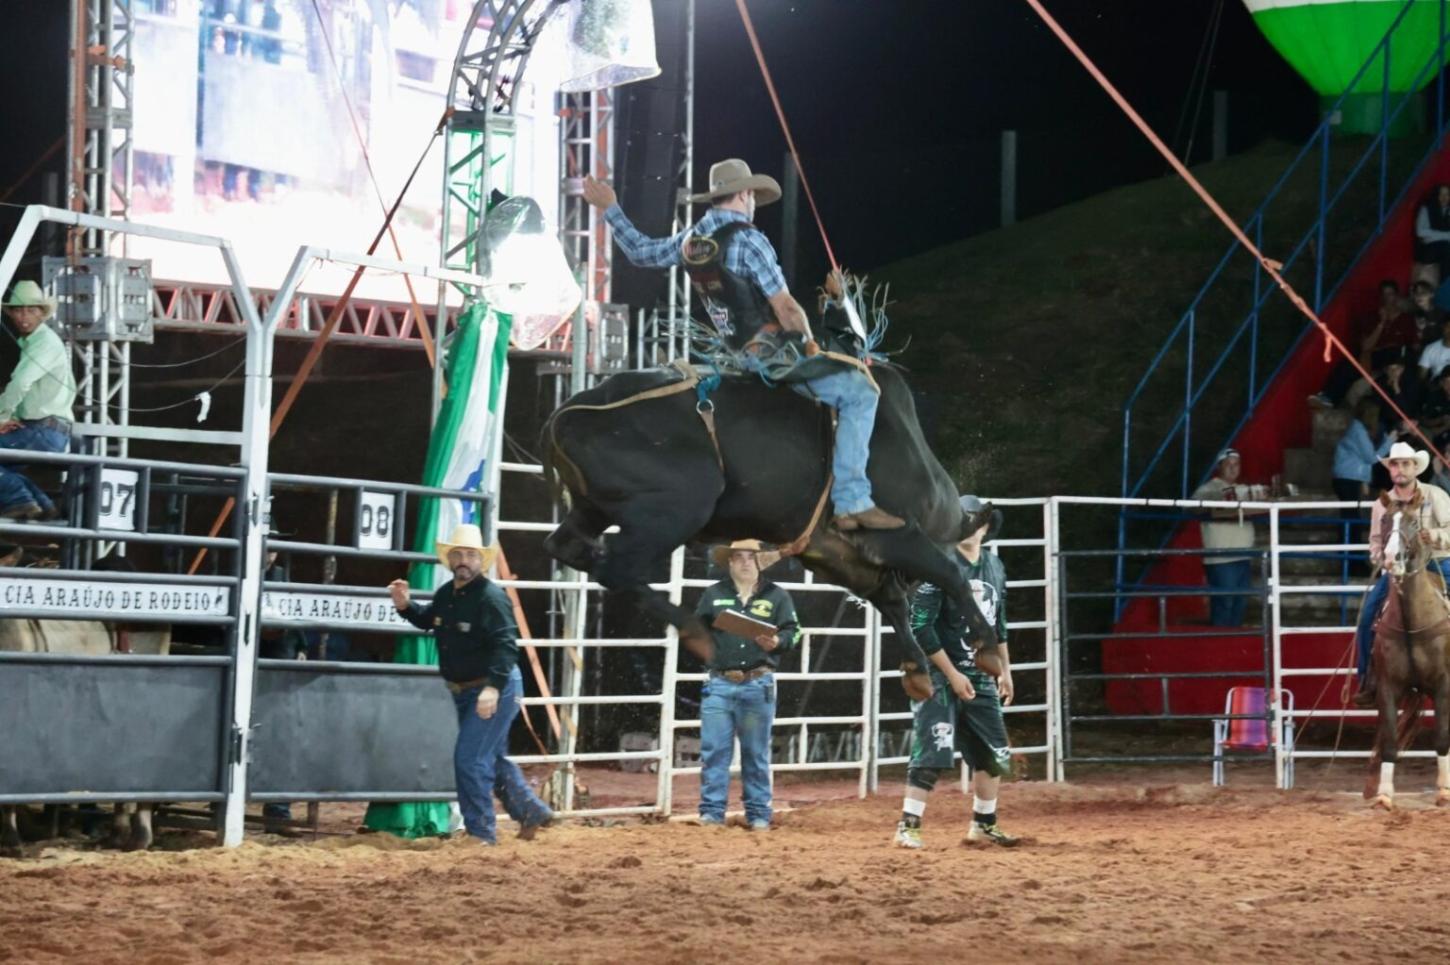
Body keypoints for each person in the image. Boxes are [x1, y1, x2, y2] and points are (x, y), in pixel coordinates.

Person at [582, 160, 904, 532]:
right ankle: (851, 501)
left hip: (732, 351)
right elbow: (784, 306)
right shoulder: (749, 240)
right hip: (770, 355)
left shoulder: (691, 241)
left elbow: (641, 252)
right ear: (746, 194)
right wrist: (809, 340)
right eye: (753, 196)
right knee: (861, 392)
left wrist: (611, 208)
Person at [388, 524, 554, 844]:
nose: (463, 560)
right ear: (450, 559)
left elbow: (506, 645)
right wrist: (406, 607)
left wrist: (492, 688)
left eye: (470, 555)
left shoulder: (491, 598)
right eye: (458, 554)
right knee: (487, 756)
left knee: (470, 758)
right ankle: (530, 810)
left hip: (492, 688)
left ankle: (481, 834)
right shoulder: (447, 595)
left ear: (481, 560)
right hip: (473, 690)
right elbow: (429, 620)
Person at [894, 495, 1017, 850]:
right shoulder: (938, 565)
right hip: (938, 673)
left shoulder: (995, 567)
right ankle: (908, 825)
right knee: (933, 746)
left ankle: (983, 823)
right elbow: (921, 627)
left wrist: (1005, 671)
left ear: (984, 526)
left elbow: (999, 624)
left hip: (978, 672)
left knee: (994, 752)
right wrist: (951, 674)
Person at [694, 539, 800, 830]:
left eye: (750, 557)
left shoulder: (777, 596)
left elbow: (794, 631)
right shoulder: (713, 595)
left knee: (753, 752)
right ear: (729, 562)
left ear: (760, 561)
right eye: (738, 557)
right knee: (716, 750)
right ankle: (718, 813)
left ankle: (753, 813)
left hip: (756, 681)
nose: (744, 562)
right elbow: (695, 629)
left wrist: (778, 641)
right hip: (722, 681)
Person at [1350, 442, 1450, 707]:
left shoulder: (1435, 496)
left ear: (1415, 468)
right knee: (1367, 616)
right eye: (1395, 464)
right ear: (1390, 469)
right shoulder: (1381, 505)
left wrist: (1436, 536)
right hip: (1398, 570)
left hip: (1437, 562)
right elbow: (1374, 541)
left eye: (1405, 463)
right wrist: (1380, 556)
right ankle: (1367, 679)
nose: (1399, 469)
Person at [0, 280, 77, 520]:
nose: (24, 316)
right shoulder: (37, 342)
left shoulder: (44, 342)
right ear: (11, 313)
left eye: (31, 310)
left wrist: (2, 417)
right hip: (44, 429)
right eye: (19, 310)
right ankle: (42, 504)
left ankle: (23, 500)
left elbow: (21, 383)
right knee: (5, 466)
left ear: (42, 313)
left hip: (43, 429)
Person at [1190, 449, 1261, 627]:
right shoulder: (1208, 488)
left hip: (1243, 555)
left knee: (1240, 602)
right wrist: (1220, 499)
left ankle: (1232, 641)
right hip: (1221, 557)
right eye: (1228, 464)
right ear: (1219, 466)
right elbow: (1194, 505)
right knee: (1224, 603)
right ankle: (1219, 641)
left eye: (1236, 464)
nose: (1233, 468)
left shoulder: (1242, 490)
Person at [1415, 184, 1450, 284]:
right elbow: (1420, 232)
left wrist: (1431, 236)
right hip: (1427, 250)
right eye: (1441, 194)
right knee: (1446, 248)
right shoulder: (1426, 209)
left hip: (1441, 246)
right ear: (1436, 195)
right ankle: (1445, 286)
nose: (1444, 198)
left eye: (1447, 194)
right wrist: (1447, 235)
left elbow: (1427, 235)